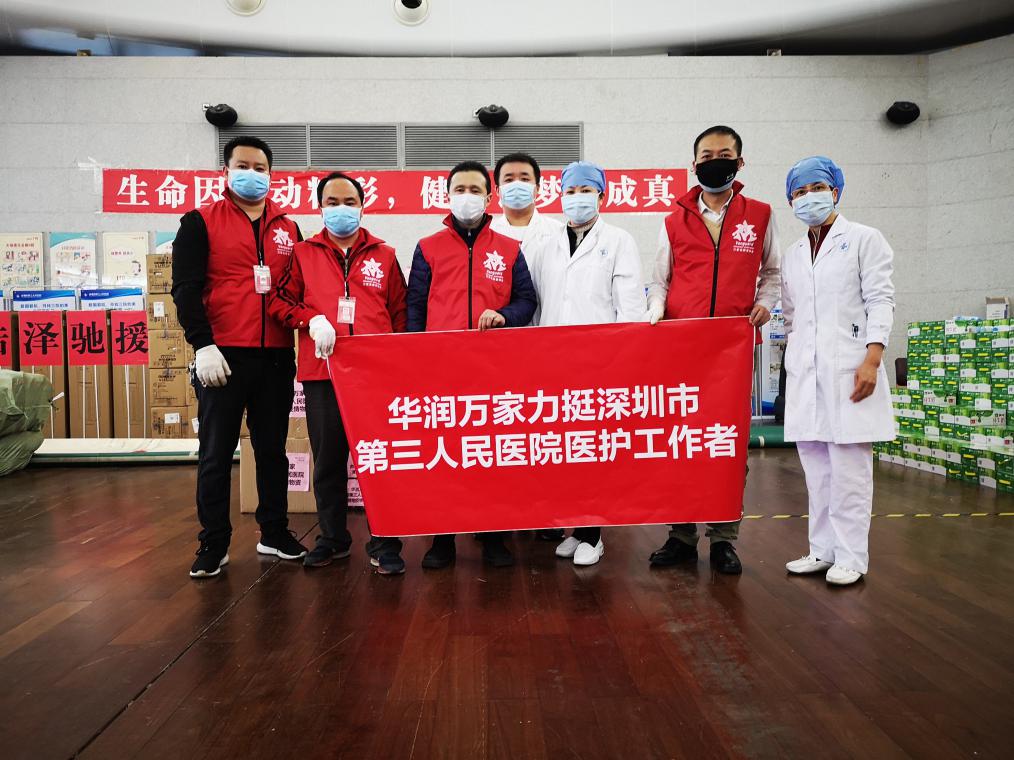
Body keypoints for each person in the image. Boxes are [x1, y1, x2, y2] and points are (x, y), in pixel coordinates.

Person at [646, 125, 780, 575]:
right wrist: (656, 311)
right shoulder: (674, 219)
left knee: (728, 444)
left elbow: (773, 273)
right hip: (681, 346)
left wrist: (765, 303)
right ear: (694, 163)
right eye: (706, 155)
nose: (715, 161)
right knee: (681, 440)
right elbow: (660, 280)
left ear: (739, 162)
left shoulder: (759, 215)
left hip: (732, 350)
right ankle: (681, 535)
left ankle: (724, 538)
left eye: (724, 154)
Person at [172, 135, 307, 578]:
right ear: (225, 171)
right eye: (243, 166)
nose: (252, 174)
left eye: (260, 167)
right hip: (222, 356)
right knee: (215, 453)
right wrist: (202, 344)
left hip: (275, 356)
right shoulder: (200, 222)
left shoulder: (288, 228)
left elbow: (296, 290)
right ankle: (213, 543)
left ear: (271, 174)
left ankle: (274, 532)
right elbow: (185, 289)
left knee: (272, 451)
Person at [268, 172, 409, 575]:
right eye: (333, 202)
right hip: (323, 371)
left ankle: (385, 541)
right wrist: (311, 319)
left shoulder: (384, 254)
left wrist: (398, 364)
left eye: (349, 202)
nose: (341, 209)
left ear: (362, 206)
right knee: (328, 460)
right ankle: (332, 537)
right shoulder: (302, 253)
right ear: (320, 207)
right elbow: (280, 302)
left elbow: (400, 313)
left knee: (378, 460)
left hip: (375, 376)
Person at [406, 160, 538, 569]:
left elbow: (527, 301)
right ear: (447, 196)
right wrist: (415, 360)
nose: (467, 197)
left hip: (493, 370)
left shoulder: (509, 248)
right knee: (443, 454)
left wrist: (504, 316)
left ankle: (493, 536)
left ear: (488, 196)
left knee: (490, 455)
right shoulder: (427, 247)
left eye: (475, 189)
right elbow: (415, 308)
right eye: (459, 189)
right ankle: (442, 539)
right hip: (441, 369)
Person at [780, 156, 896, 586]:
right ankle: (822, 550)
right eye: (799, 192)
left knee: (849, 468)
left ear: (835, 191)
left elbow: (880, 300)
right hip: (806, 373)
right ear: (790, 200)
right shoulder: (793, 254)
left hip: (851, 368)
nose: (808, 197)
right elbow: (792, 315)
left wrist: (872, 359)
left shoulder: (865, 239)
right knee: (816, 467)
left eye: (817, 188)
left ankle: (851, 557)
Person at [538, 160, 648, 567]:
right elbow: (538, 303)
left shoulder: (618, 240)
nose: (577, 198)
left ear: (602, 195)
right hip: (552, 360)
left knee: (593, 450)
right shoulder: (546, 242)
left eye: (586, 190)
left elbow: (630, 307)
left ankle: (593, 534)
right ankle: (575, 527)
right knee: (565, 450)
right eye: (570, 191)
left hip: (601, 362)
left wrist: (622, 360)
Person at [489, 151, 567, 542]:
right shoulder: (485, 234)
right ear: (496, 188)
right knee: (501, 434)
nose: (516, 185)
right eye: (508, 178)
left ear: (538, 186)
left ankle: (546, 513)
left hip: (547, 346)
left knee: (544, 433)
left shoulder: (558, 232)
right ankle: (502, 513)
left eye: (524, 178)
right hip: (496, 351)